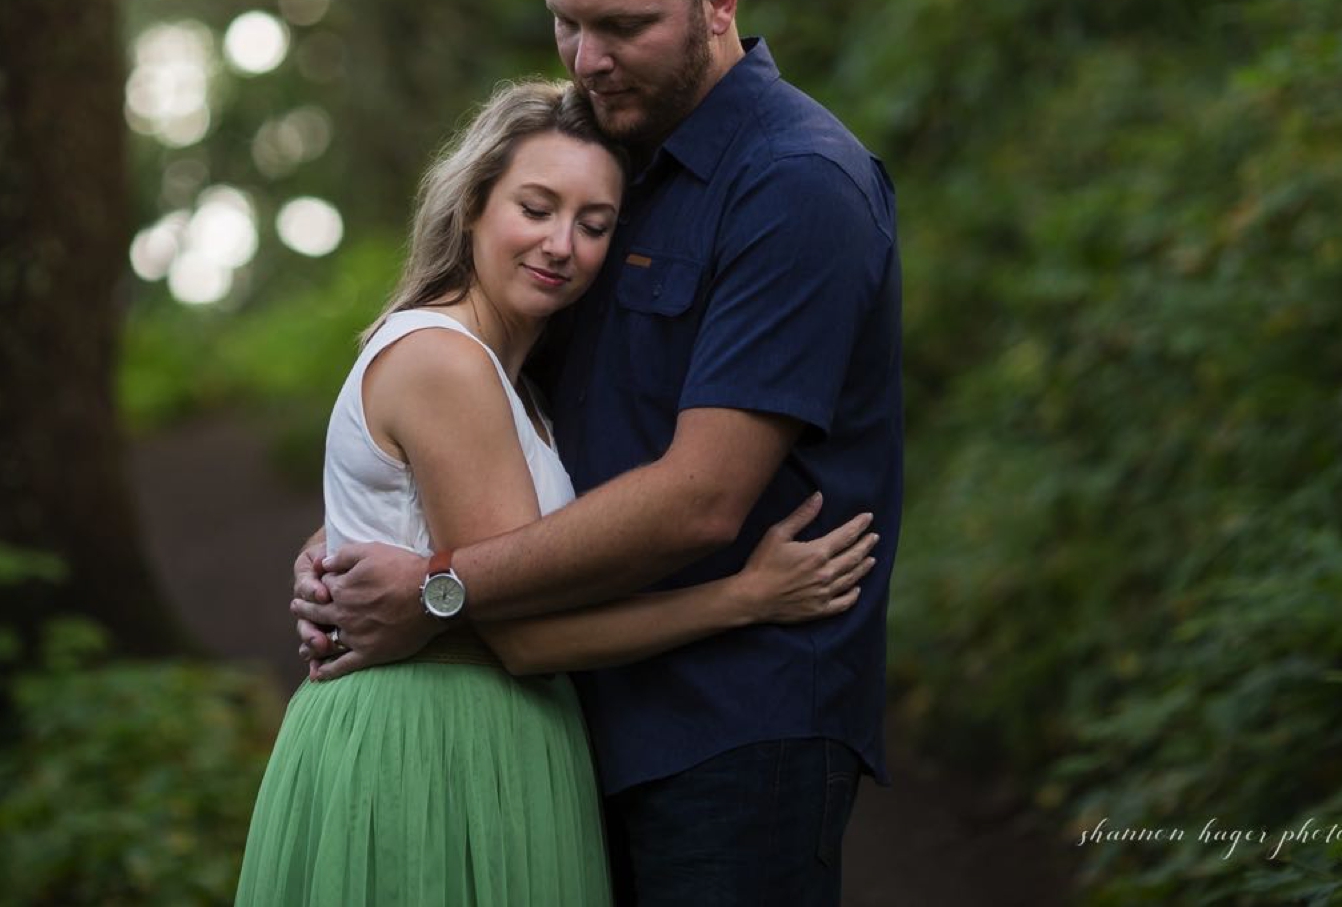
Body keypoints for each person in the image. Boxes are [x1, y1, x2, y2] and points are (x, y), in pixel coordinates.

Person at [294, 0, 904, 906]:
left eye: (623, 27)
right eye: (566, 23)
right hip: (577, 720)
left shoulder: (795, 184)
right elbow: (487, 421)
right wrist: (354, 537)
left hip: (735, 727)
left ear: (718, 1)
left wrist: (436, 586)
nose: (588, 59)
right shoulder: (609, 168)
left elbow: (702, 497)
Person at [234, 79, 879, 907]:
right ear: (472, 205)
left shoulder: (518, 384)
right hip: (428, 746)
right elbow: (528, 640)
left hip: (495, 736)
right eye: (535, 209)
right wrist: (743, 598)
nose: (561, 245)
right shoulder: (447, 361)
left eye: (594, 225)